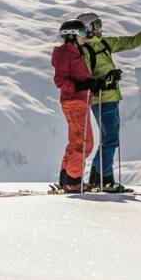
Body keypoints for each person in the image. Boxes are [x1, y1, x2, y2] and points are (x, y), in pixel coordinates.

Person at [76, 11, 141, 192]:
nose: (101, 28)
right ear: (89, 29)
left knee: (108, 138)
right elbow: (87, 79)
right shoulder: (84, 51)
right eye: (97, 25)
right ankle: (105, 180)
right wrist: (107, 78)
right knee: (110, 139)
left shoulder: (104, 43)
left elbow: (129, 42)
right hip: (101, 99)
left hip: (111, 97)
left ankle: (97, 178)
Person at [50, 19, 100, 193]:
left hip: (79, 101)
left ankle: (66, 180)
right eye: (82, 33)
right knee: (84, 142)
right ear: (72, 35)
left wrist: (91, 84)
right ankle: (73, 182)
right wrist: (81, 86)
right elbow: (60, 80)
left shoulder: (73, 52)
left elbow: (78, 78)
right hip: (74, 101)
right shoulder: (65, 52)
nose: (84, 37)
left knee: (76, 142)